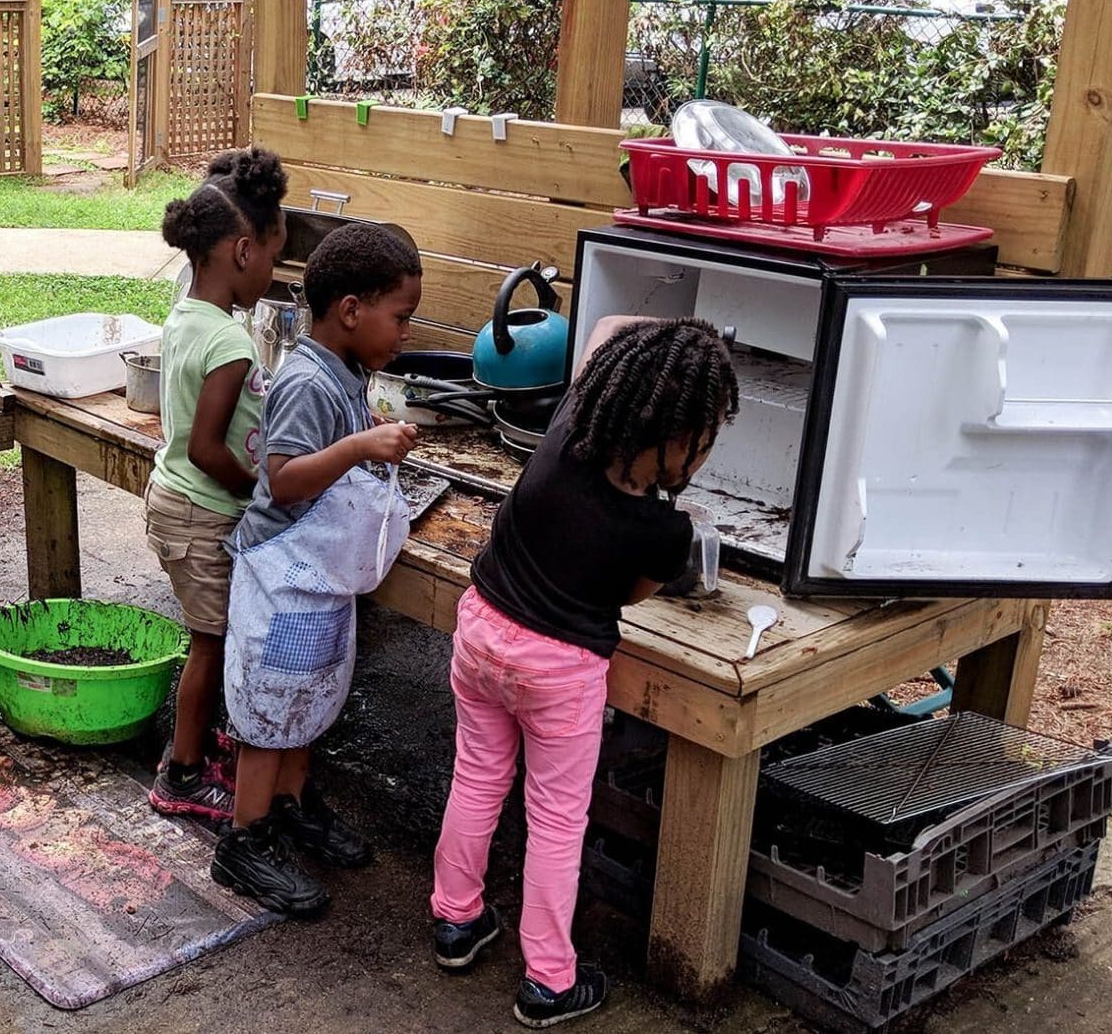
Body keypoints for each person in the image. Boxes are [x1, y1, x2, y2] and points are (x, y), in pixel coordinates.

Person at [429, 316, 738, 1028]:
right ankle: (549, 979)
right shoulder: (665, 531)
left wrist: (684, 340)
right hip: (559, 668)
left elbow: (608, 325)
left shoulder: (572, 426)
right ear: (676, 436)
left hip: (483, 627)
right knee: (558, 821)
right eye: (702, 436)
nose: (704, 452)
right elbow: (627, 595)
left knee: (476, 777)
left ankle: (455, 920)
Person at [213, 223, 422, 917]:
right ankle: (245, 839)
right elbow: (286, 477)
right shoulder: (306, 381)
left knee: (310, 702)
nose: (406, 333)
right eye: (402, 316)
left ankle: (295, 806)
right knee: (269, 713)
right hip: (282, 581)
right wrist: (362, 443)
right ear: (352, 311)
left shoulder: (346, 372)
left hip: (320, 580)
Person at [144, 146, 289, 825]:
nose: (272, 273)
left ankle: (205, 746)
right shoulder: (230, 343)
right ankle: (183, 772)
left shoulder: (186, 318)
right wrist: (260, 482)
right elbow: (208, 450)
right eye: (271, 258)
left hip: (174, 502)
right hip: (201, 511)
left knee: (214, 637)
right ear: (239, 251)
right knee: (210, 642)